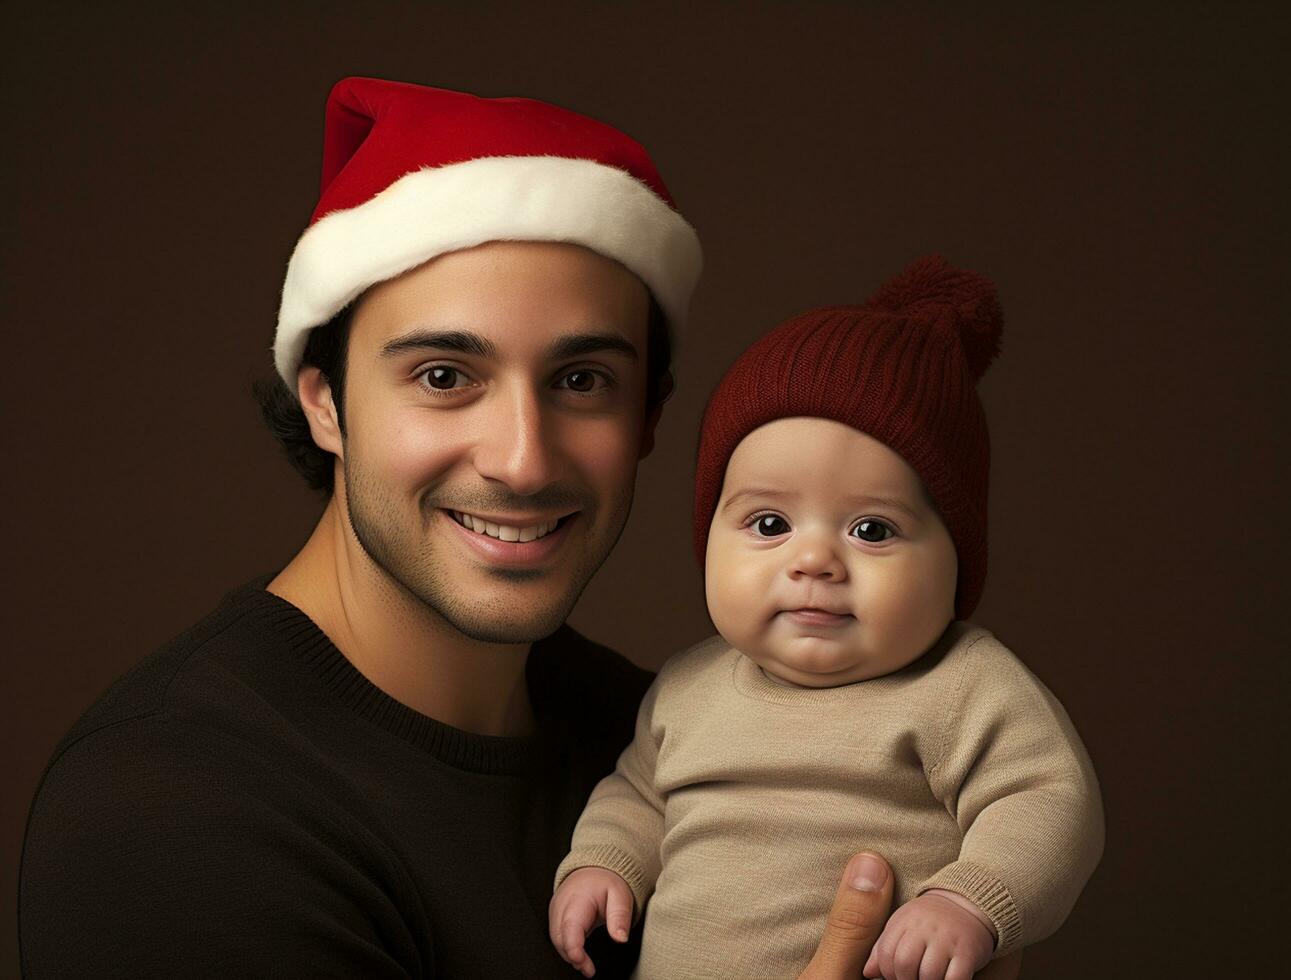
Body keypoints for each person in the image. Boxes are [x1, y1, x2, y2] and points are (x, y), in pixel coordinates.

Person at [17, 77, 955, 980]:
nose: (523, 460)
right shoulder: (170, 812)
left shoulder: (676, 739)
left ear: (650, 420)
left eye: (582, 380)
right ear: (326, 404)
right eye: (442, 376)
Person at [549, 257, 1103, 979]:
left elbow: (1048, 803)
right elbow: (637, 796)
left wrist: (969, 903)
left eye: (871, 531)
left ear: (955, 559)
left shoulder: (962, 687)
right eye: (769, 522)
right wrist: (605, 862)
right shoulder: (689, 687)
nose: (814, 561)